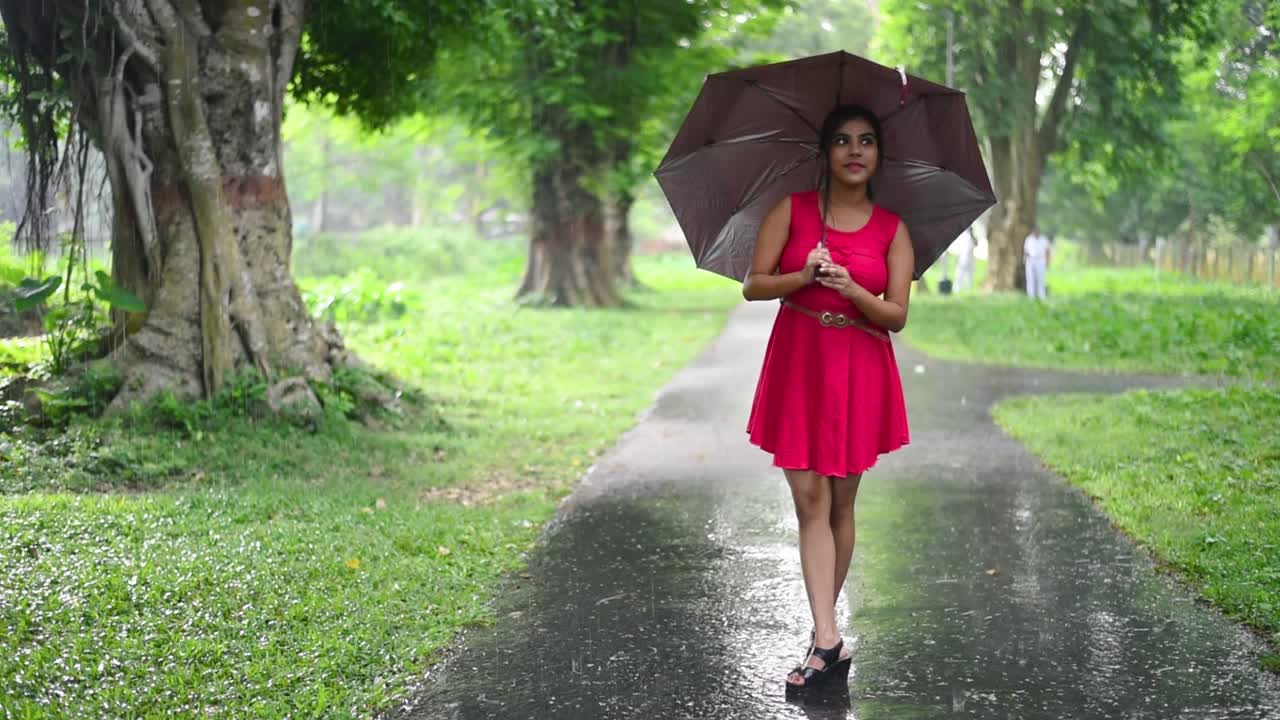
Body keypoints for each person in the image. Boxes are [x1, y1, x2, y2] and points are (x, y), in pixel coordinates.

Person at [741, 105, 913, 691]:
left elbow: (896, 315)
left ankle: (822, 636)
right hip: (800, 359)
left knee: (841, 503)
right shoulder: (790, 212)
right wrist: (803, 277)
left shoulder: (893, 228)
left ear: (878, 155)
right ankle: (830, 639)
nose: (854, 151)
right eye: (841, 140)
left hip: (858, 364)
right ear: (825, 153)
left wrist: (852, 288)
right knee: (809, 499)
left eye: (866, 141)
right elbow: (752, 286)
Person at [1024, 226, 1051, 299]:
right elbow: (1026, 251)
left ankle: (1041, 296)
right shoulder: (1029, 239)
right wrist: (1025, 260)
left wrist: (1048, 261)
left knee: (1041, 279)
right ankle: (1031, 296)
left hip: (1040, 259)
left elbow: (1047, 251)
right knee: (1030, 279)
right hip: (1031, 260)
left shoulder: (1044, 239)